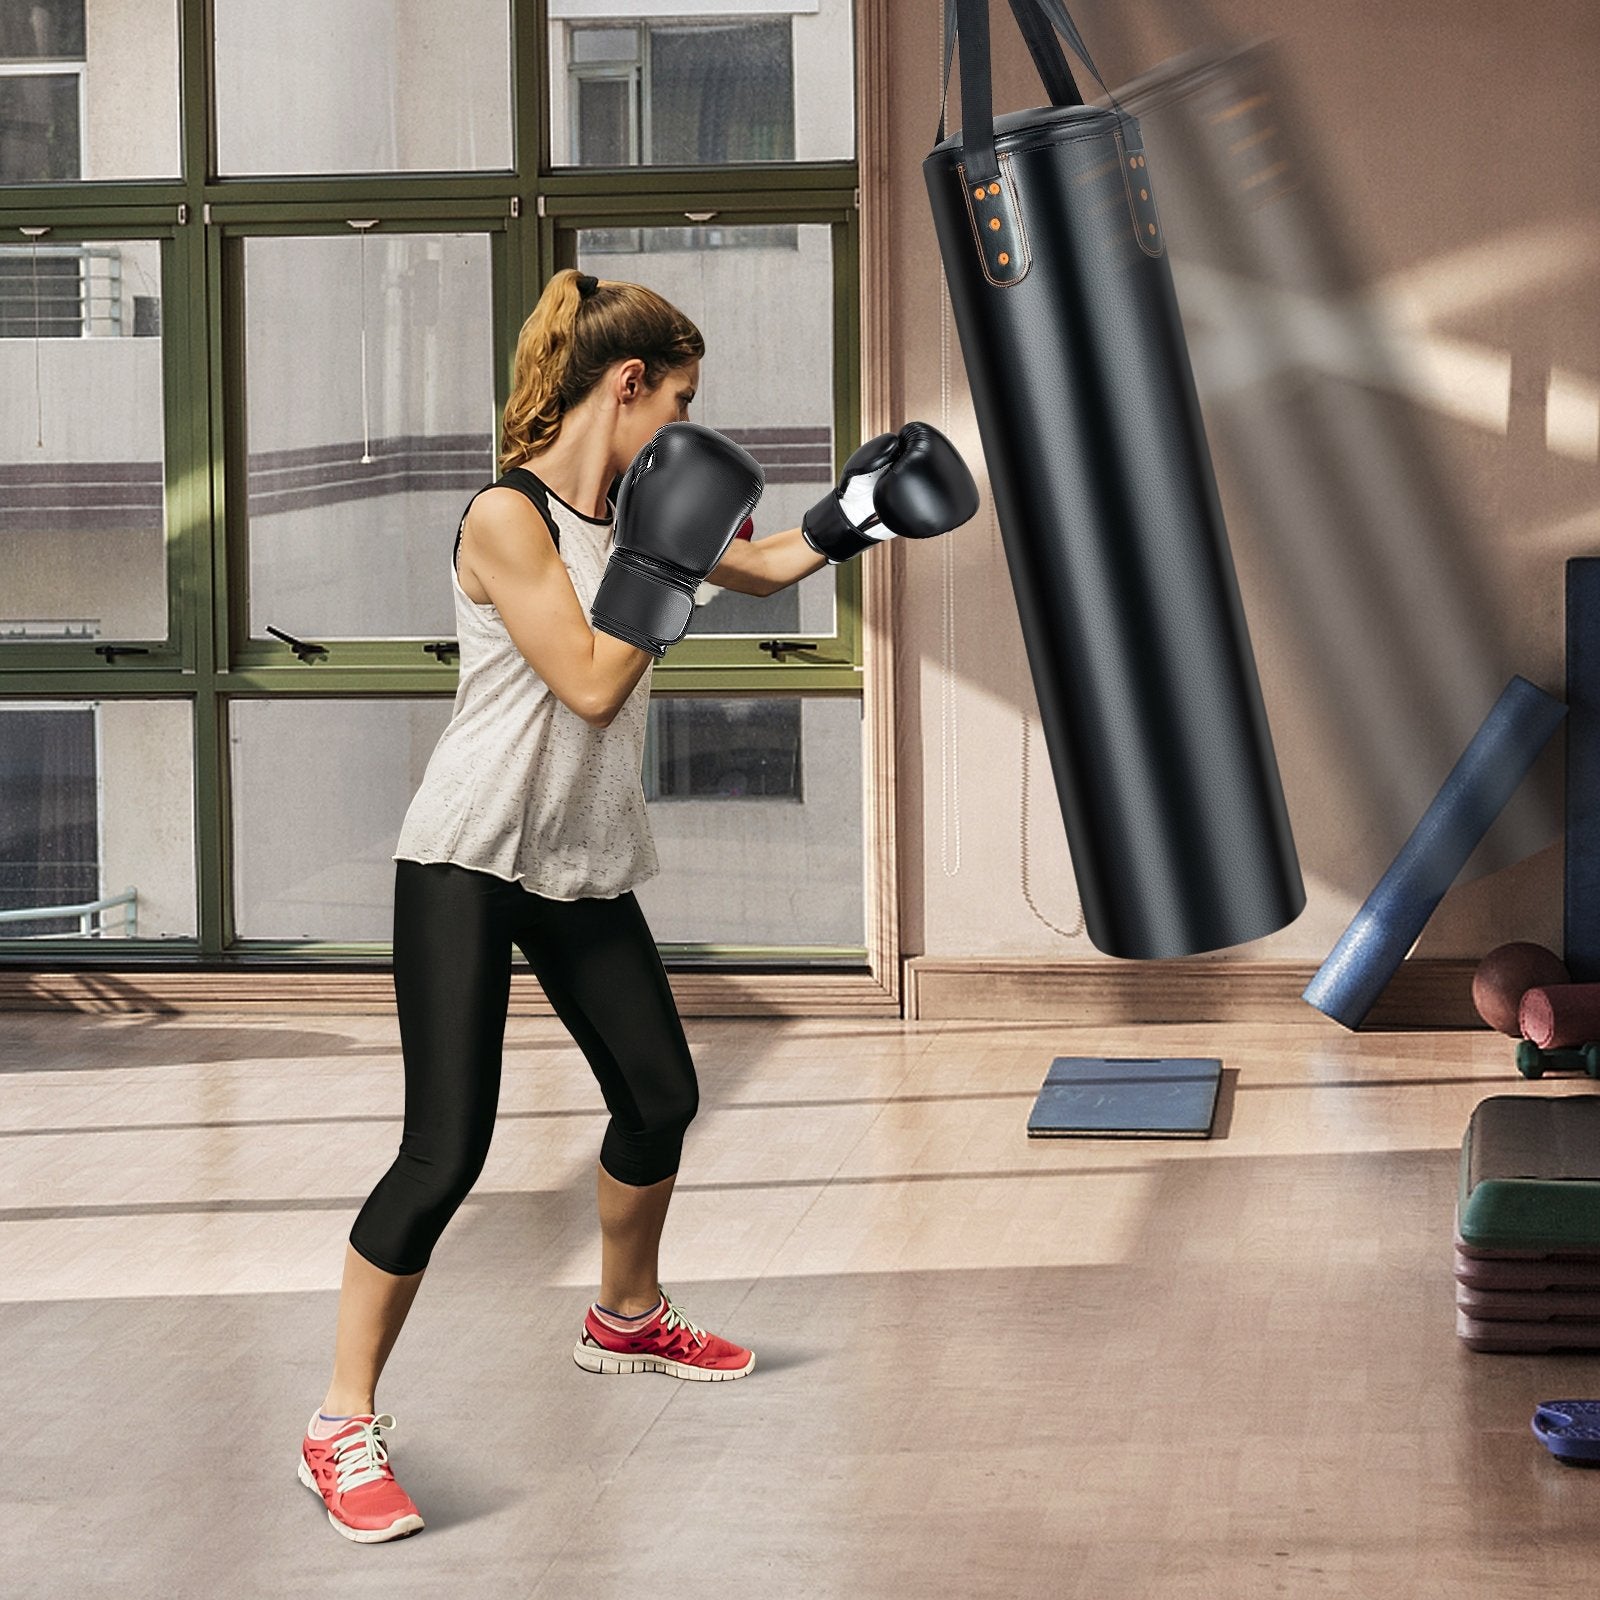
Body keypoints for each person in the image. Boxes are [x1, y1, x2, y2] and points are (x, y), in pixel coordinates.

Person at [297, 267, 980, 1543]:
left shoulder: (629, 509)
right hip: (469, 854)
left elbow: (761, 566)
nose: (681, 419)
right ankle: (339, 1424)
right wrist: (667, 552)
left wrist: (861, 512)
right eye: (679, 395)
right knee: (445, 1150)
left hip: (578, 854)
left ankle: (623, 1314)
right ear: (628, 386)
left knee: (660, 1095)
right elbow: (592, 684)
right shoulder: (509, 519)